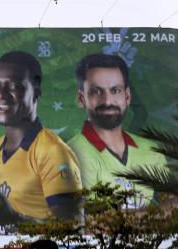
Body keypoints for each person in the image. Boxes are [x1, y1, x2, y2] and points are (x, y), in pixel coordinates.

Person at [0, 51, 82, 234]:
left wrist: (14, 220)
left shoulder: (53, 151)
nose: (1, 94)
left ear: (36, 94)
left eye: (14, 86)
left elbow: (73, 231)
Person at [67, 53, 168, 209]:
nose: (107, 101)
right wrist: (158, 217)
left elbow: (173, 204)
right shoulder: (71, 154)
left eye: (115, 90)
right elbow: (90, 223)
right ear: (81, 98)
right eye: (96, 91)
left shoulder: (152, 151)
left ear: (127, 96)